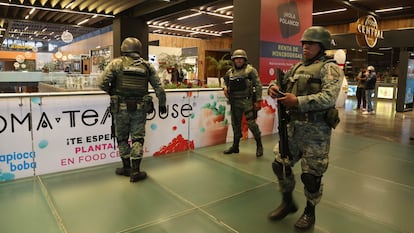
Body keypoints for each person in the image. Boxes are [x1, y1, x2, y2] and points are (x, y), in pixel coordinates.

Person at [267, 26, 343, 230]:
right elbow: (279, 83)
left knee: (311, 176)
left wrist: (298, 101)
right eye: (304, 43)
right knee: (280, 164)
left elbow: (328, 97)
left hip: (316, 131)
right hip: (293, 128)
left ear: (322, 46)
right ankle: (288, 202)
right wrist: (273, 88)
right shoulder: (297, 67)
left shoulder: (330, 68)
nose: (305, 47)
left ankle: (310, 212)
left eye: (310, 43)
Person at [100, 37, 167, 182]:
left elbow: (102, 83)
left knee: (122, 138)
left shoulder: (116, 64)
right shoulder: (147, 66)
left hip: (120, 109)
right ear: (138, 49)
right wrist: (162, 104)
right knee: (137, 138)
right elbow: (159, 88)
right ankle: (135, 171)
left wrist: (112, 91)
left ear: (124, 48)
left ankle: (126, 168)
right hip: (139, 109)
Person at [222, 49, 263, 157]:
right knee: (235, 125)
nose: (239, 61)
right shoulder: (230, 72)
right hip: (234, 102)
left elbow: (258, 85)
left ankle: (259, 145)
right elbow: (225, 82)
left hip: (247, 101)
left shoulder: (250, 71)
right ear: (233, 60)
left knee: (251, 124)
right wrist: (225, 88)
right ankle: (235, 146)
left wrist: (258, 100)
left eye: (241, 59)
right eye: (237, 59)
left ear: (244, 60)